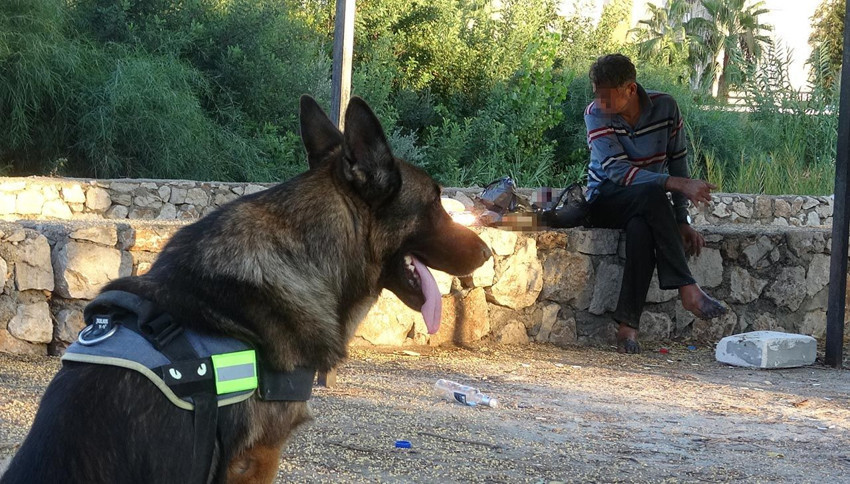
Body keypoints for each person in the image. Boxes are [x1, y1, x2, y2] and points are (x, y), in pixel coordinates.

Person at [556, 53, 726, 354]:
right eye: (596, 94)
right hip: (605, 199)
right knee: (651, 194)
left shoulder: (666, 107)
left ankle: (628, 328)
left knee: (641, 229)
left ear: (630, 89)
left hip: (648, 203)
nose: (599, 102)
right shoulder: (595, 114)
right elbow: (618, 172)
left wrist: (681, 220)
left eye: (606, 96)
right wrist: (677, 185)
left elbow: (678, 162)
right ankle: (687, 286)